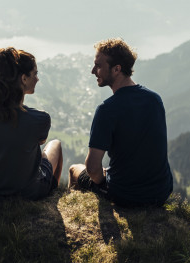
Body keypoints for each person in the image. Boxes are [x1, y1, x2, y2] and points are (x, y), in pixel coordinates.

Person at [68, 38, 173, 207]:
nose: (93, 71)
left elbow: (93, 168)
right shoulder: (155, 99)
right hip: (161, 192)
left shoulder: (107, 110)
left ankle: (76, 212)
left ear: (117, 69)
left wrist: (102, 182)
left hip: (126, 195)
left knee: (74, 170)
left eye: (98, 66)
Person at [0, 47, 63, 200]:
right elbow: (41, 141)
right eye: (35, 74)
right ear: (24, 79)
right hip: (27, 192)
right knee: (55, 144)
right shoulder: (40, 119)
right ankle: (52, 194)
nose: (37, 79)